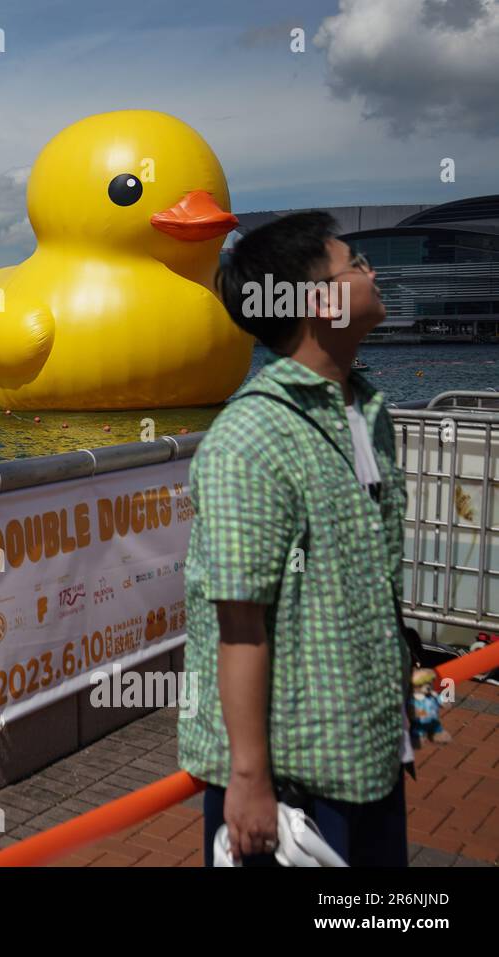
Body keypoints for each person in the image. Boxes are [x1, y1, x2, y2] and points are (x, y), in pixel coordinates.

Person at [178, 211, 416, 867]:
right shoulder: (250, 439)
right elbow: (240, 621)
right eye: (356, 266)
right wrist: (249, 780)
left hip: (370, 750)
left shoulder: (367, 408)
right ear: (320, 302)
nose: (371, 274)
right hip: (293, 782)